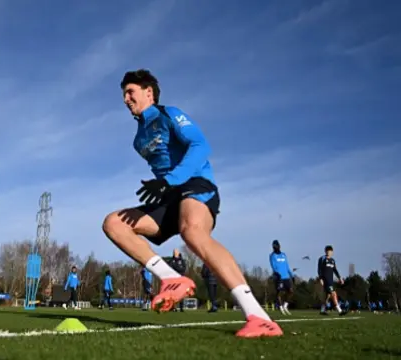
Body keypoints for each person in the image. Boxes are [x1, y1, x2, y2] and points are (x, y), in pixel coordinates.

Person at [101, 69, 282, 337]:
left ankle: (258, 316)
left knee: (193, 232)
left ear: (148, 92)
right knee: (114, 223)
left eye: (131, 92)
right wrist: (164, 187)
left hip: (196, 184)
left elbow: (200, 146)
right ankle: (172, 279)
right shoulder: (138, 140)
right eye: (123, 94)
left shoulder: (170, 114)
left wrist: (170, 180)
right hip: (170, 196)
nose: (126, 99)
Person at [318, 245, 346, 316]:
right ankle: (339, 310)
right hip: (325, 280)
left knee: (327, 296)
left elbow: (335, 270)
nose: (329, 253)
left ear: (332, 252)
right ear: (325, 251)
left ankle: (322, 310)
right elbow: (319, 269)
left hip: (331, 281)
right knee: (334, 293)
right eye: (327, 251)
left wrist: (340, 278)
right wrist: (321, 278)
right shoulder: (322, 259)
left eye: (330, 252)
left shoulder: (332, 261)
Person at [269, 240, 294, 315]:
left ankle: (285, 306)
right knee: (279, 292)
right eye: (274, 246)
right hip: (278, 277)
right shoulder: (272, 256)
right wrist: (277, 273)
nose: (275, 247)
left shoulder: (283, 255)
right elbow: (273, 266)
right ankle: (281, 308)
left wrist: (291, 275)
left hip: (286, 276)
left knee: (290, 291)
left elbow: (287, 266)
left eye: (276, 245)